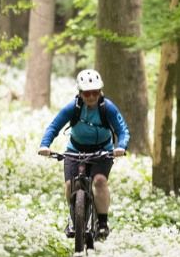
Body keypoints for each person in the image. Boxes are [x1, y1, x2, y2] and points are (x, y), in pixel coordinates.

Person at [38, 69, 130, 239]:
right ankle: (74, 219)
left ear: (100, 92)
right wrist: (45, 145)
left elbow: (122, 130)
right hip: (75, 150)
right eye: (87, 93)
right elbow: (54, 126)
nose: (91, 97)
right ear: (80, 94)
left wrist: (121, 147)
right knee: (69, 185)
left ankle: (102, 223)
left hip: (102, 151)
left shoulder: (107, 107)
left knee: (100, 181)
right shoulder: (73, 107)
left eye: (95, 92)